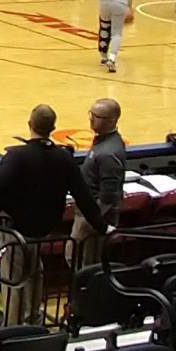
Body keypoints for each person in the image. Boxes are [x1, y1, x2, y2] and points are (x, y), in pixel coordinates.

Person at [0, 105, 104, 322]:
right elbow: (84, 196)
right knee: (35, 274)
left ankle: (13, 330)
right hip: (45, 230)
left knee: (14, 280)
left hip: (17, 230)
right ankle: (33, 319)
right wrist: (102, 225)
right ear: (53, 128)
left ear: (30, 125)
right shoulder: (64, 157)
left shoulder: (17, 156)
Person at [74, 96, 126, 266]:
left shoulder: (108, 152)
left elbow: (109, 194)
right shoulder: (104, 142)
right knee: (75, 258)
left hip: (93, 220)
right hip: (89, 214)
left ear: (111, 121)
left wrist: (94, 220)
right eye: (91, 113)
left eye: (96, 116)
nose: (90, 118)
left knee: (86, 263)